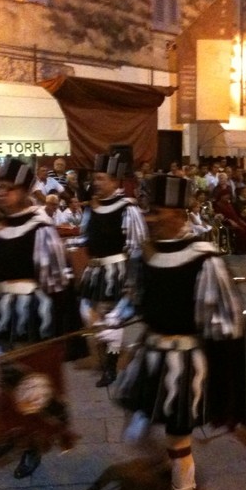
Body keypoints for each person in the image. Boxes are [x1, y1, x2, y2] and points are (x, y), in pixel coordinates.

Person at [116, 174, 246, 490]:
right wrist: (116, 319)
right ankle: (163, 465)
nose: (149, 217)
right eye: (147, 210)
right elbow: (136, 297)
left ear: (178, 213)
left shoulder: (204, 258)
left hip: (186, 361)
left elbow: (225, 323)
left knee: (177, 434)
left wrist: (222, 374)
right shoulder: (145, 254)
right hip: (151, 352)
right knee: (135, 426)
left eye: (155, 211)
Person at [0, 157, 72, 479]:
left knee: (28, 382)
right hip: (1, 311)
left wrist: (62, 331)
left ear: (26, 191)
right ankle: (10, 427)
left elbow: (56, 280)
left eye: (7, 189)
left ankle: (31, 441)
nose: (0, 193)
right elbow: (0, 266)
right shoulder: (1, 225)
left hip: (32, 313)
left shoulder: (41, 229)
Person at [78, 150, 148, 387]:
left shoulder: (127, 208)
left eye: (101, 179)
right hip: (95, 270)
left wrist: (131, 277)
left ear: (115, 181)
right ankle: (105, 355)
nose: (96, 183)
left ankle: (110, 366)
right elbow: (85, 237)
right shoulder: (92, 208)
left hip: (116, 270)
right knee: (89, 313)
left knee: (111, 318)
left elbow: (137, 247)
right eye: (94, 178)